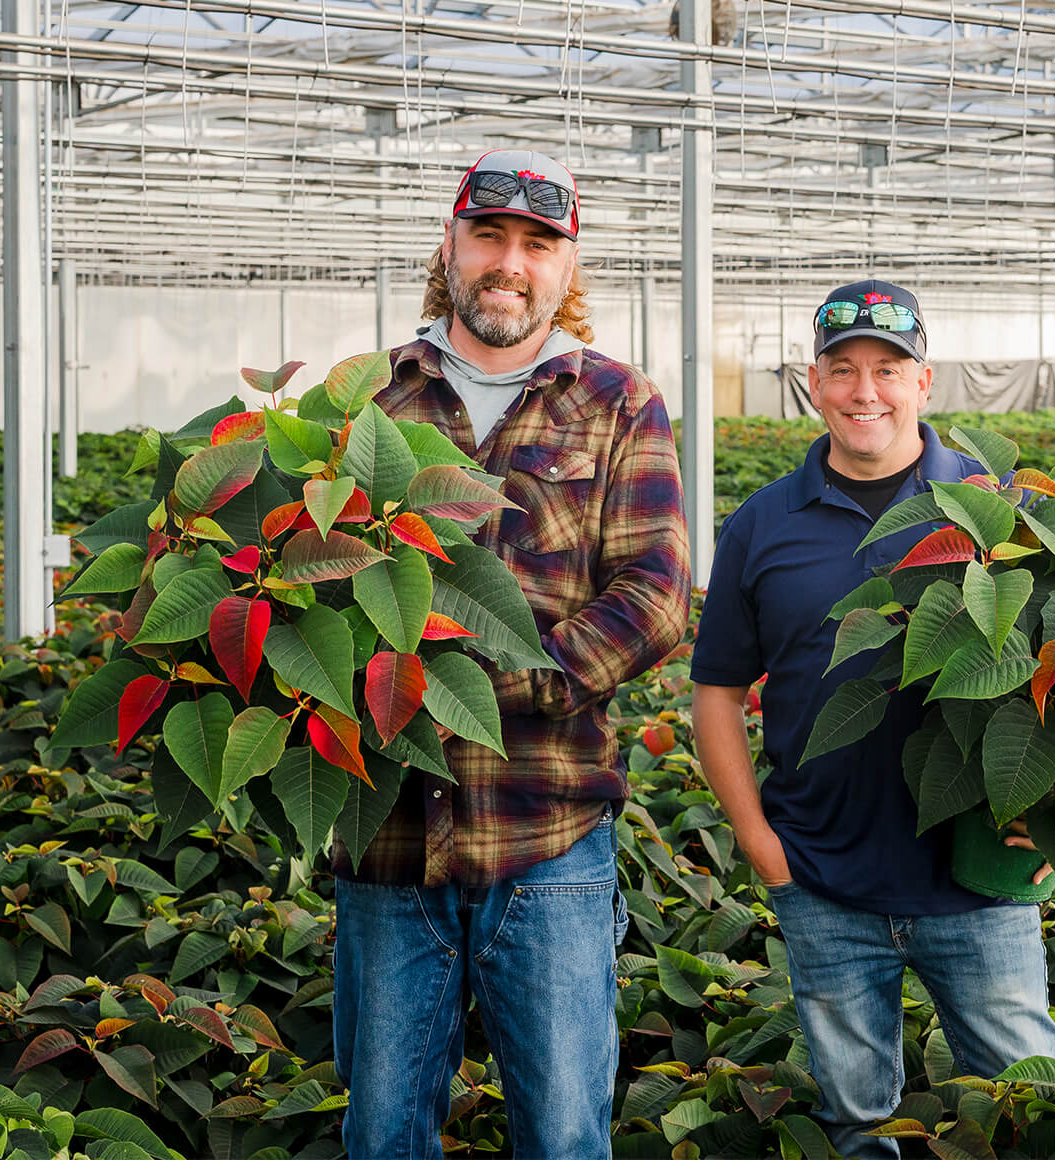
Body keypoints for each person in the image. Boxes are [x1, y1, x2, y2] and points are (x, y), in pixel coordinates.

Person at [330, 147, 689, 1159]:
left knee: (567, 1133)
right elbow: (300, 579)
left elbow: (655, 597)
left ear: (567, 268)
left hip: (551, 833)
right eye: (488, 236)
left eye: (538, 244)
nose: (509, 263)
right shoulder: (367, 404)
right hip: (388, 839)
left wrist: (473, 684)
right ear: (448, 245)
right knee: (382, 1130)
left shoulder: (619, 402)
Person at [688, 280, 1055, 1157]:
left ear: (925, 382)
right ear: (812, 384)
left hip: (976, 882)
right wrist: (759, 843)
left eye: (888, 369)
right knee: (856, 1120)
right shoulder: (761, 524)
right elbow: (716, 692)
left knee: (1029, 1107)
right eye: (844, 369)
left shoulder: (999, 509)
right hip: (821, 877)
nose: (866, 391)